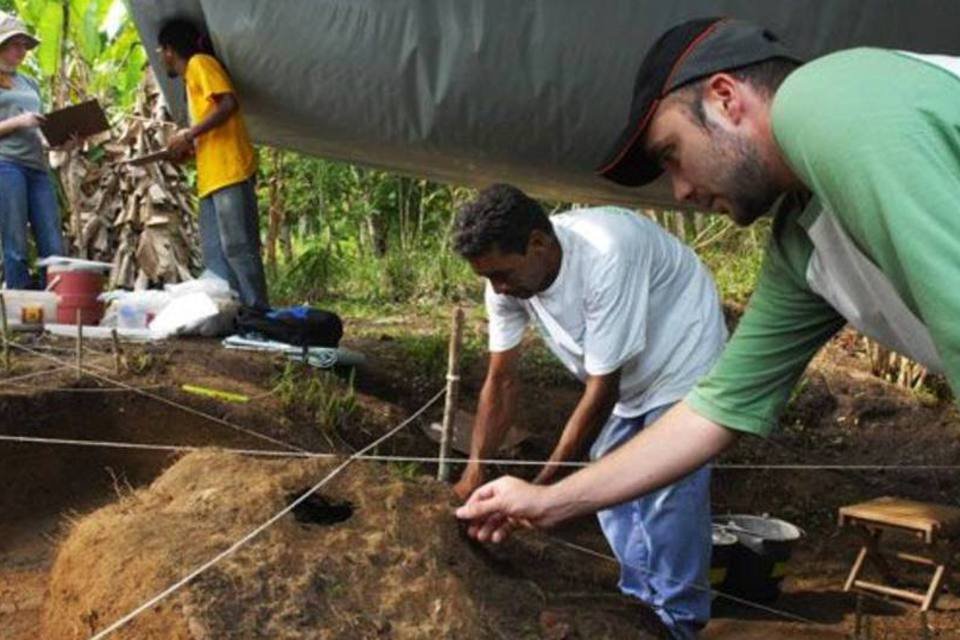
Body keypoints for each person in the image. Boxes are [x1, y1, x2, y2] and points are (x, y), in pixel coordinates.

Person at [456, 16, 960, 567]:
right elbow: (715, 411)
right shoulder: (803, 246)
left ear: (725, 99)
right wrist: (547, 500)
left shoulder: (826, 101)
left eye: (672, 153)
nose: (681, 190)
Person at [452, 184, 727, 638]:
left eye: (502, 273)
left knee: (667, 496)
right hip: (625, 373)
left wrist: (538, 492)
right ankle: (641, 607)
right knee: (609, 490)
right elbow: (501, 380)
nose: (497, 287)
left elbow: (602, 392)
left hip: (683, 358)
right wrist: (474, 471)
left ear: (538, 243)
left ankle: (678, 622)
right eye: (487, 277)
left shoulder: (606, 254)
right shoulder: (503, 283)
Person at [157, 19, 269, 309]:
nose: (161, 58)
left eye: (161, 51)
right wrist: (187, 148)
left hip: (229, 170)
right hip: (211, 176)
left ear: (170, 50)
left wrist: (189, 133)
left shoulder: (200, 63)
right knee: (215, 254)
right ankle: (233, 311)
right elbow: (213, 127)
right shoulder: (190, 78)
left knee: (238, 247)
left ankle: (257, 312)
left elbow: (228, 104)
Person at [0, 11, 65, 289]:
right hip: (7, 164)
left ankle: (54, 303)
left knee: (51, 238)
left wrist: (59, 141)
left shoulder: (30, 83)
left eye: (25, 45)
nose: (22, 50)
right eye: (16, 44)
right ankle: (18, 307)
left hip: (37, 167)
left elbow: (38, 130)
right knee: (15, 239)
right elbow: (22, 122)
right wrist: (18, 121)